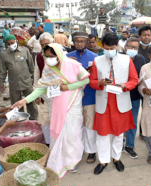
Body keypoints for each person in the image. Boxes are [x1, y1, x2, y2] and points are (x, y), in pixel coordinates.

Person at [12, 43, 90, 177]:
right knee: (59, 133)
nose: (49, 59)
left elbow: (85, 80)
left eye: (51, 56)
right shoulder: (48, 69)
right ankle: (59, 158)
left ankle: (72, 161)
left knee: (72, 133)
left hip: (73, 104)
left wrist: (69, 87)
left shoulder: (73, 65)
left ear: (59, 55)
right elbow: (41, 88)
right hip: (56, 104)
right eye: (46, 56)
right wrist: (24, 100)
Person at [89, 32, 139, 174]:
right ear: (102, 46)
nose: (109, 51)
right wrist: (99, 82)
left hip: (120, 100)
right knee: (102, 134)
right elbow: (91, 82)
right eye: (107, 48)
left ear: (117, 46)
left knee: (118, 133)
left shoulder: (126, 60)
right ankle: (103, 160)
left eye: (112, 48)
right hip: (104, 101)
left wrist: (125, 86)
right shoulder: (97, 61)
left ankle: (117, 158)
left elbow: (134, 80)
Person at [67, 31, 98, 166]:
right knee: (75, 126)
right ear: (73, 42)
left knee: (89, 125)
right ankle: (76, 153)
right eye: (77, 41)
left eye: (82, 41)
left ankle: (91, 151)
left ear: (87, 42)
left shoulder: (95, 57)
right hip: (72, 98)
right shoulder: (67, 57)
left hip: (90, 97)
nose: (79, 43)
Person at [0, 34, 38, 120]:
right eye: (8, 44)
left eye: (12, 43)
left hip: (26, 82)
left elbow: (31, 67)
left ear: (16, 41)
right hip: (14, 83)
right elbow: (2, 71)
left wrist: (34, 79)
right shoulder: (4, 54)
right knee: (16, 104)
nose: (10, 45)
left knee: (30, 102)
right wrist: (2, 83)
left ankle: (34, 120)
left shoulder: (25, 51)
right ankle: (20, 121)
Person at [122, 37, 145, 159]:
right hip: (120, 95)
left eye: (135, 47)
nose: (132, 49)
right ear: (125, 47)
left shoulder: (140, 59)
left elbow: (142, 74)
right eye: (130, 47)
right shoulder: (119, 57)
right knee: (119, 121)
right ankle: (119, 144)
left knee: (133, 122)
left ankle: (129, 146)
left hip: (135, 95)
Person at [34, 32, 54, 146]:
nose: (45, 46)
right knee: (45, 120)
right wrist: (36, 93)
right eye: (42, 44)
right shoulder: (38, 57)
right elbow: (36, 75)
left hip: (58, 94)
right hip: (44, 94)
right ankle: (47, 144)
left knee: (57, 121)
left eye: (47, 43)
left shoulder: (60, 55)